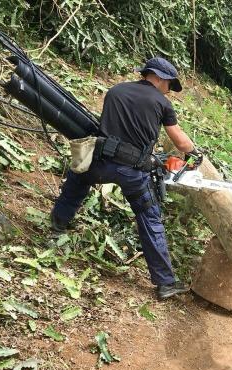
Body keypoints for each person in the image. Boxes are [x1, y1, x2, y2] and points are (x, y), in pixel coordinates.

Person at [51, 57, 199, 300]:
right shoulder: (161, 103)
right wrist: (194, 153)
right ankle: (165, 283)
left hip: (98, 162)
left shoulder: (115, 90)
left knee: (77, 182)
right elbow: (179, 140)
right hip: (132, 172)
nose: (169, 91)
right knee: (149, 218)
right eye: (169, 85)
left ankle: (57, 225)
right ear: (159, 78)